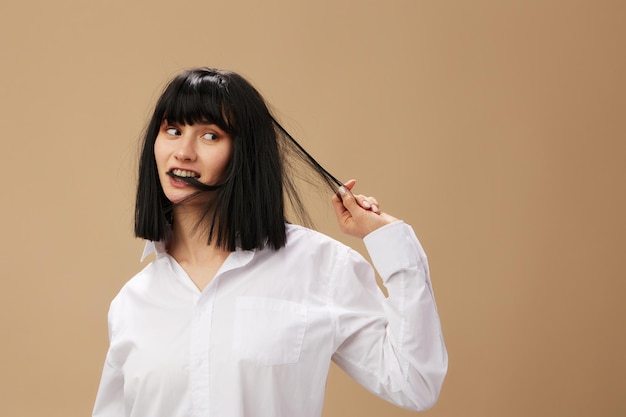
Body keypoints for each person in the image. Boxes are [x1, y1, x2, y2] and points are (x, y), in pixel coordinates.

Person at [92, 67, 447, 417]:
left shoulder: (319, 267)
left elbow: (414, 383)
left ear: (244, 153)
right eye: (172, 129)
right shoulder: (132, 303)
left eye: (210, 135)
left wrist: (389, 239)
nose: (183, 151)